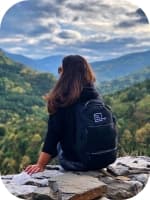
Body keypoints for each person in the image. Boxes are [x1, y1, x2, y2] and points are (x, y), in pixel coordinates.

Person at [25, 55, 115, 175]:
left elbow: (53, 136)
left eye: (60, 70)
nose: (59, 72)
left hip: (78, 163)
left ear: (66, 74)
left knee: (60, 144)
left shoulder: (62, 100)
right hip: (106, 159)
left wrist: (40, 165)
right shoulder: (95, 96)